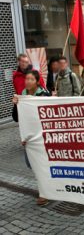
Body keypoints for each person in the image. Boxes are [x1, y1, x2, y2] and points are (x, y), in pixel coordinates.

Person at [12, 70, 50, 206]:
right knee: (31, 163)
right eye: (26, 79)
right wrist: (15, 104)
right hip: (29, 137)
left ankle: (45, 192)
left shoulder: (44, 95)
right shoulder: (22, 95)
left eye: (31, 79)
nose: (27, 81)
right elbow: (16, 118)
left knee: (41, 163)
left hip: (42, 136)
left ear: (37, 81)